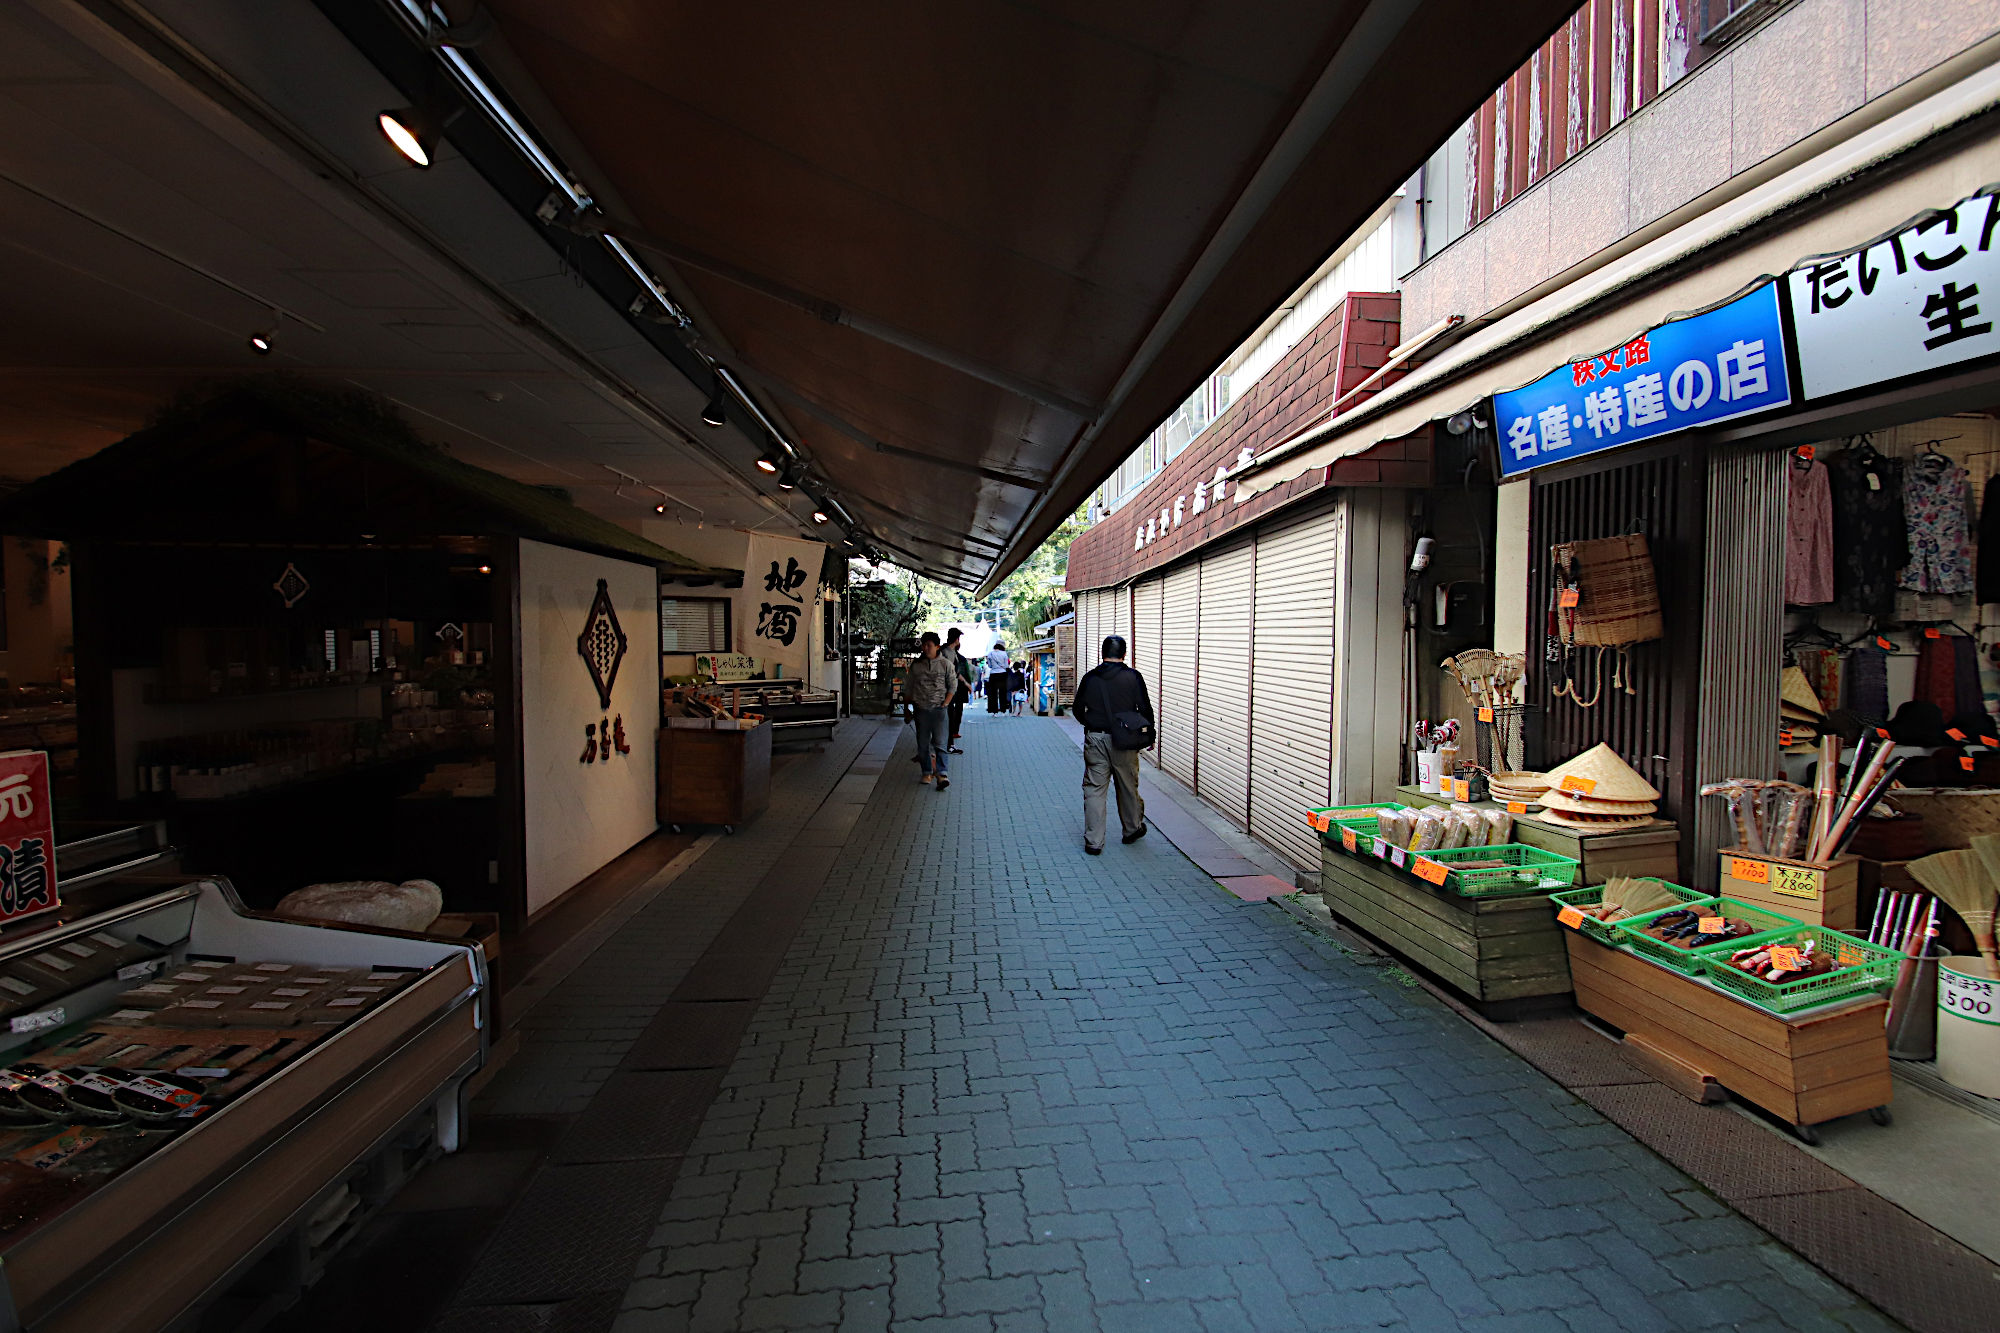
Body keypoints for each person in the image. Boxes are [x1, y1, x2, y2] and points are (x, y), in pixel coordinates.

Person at [1072, 634, 1152, 855]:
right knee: (1127, 786)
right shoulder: (1133, 677)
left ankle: (1094, 842)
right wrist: (1149, 737)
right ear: (1125, 654)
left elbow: (1078, 709)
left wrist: (1091, 726)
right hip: (1125, 741)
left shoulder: (1090, 678)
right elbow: (1145, 709)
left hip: (1096, 739)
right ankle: (1132, 829)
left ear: (1102, 653)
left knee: (1095, 789)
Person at [903, 631, 954, 790]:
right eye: (924, 645)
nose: (925, 648)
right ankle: (927, 771)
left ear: (937, 646)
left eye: (929, 645)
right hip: (920, 709)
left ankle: (942, 774)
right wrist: (906, 708)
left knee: (940, 743)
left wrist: (945, 703)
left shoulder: (946, 664)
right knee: (923, 744)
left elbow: (952, 686)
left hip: (939, 710)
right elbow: (909, 687)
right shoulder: (916, 665)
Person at [942, 627, 972, 751]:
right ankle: (948, 745)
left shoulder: (950, 652)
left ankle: (948, 744)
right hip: (945, 689)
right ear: (956, 639)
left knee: (948, 715)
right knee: (947, 716)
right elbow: (952, 672)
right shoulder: (947, 652)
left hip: (949, 689)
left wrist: (966, 683)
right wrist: (966, 683)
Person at [985, 640, 1011, 713]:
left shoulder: (990, 654)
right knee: (1002, 692)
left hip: (993, 674)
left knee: (993, 693)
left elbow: (990, 666)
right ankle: (1003, 710)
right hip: (1002, 674)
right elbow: (1006, 665)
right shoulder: (1004, 654)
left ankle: (994, 711)